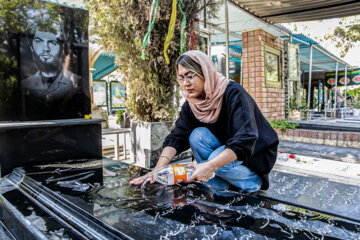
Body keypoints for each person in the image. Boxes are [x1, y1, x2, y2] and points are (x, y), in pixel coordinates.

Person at [130, 50, 279, 193]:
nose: (186, 83)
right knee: (197, 135)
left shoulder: (233, 93)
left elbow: (245, 139)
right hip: (225, 145)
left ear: (205, 73)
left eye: (190, 76)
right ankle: (218, 182)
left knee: (215, 160)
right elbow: (178, 136)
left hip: (255, 151)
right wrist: (157, 171)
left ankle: (252, 182)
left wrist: (211, 165)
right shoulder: (193, 103)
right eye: (181, 78)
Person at [22, 25, 79, 101]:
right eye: (39, 42)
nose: (46, 49)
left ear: (61, 49)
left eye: (52, 43)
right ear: (32, 48)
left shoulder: (74, 81)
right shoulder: (26, 84)